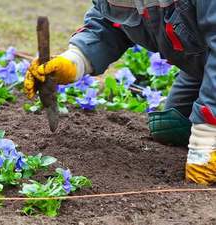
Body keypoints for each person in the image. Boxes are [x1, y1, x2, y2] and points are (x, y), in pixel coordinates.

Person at [24, 0, 216, 185]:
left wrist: (206, 136)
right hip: (201, 66)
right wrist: (74, 61)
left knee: (206, 135)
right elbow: (107, 25)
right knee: (171, 126)